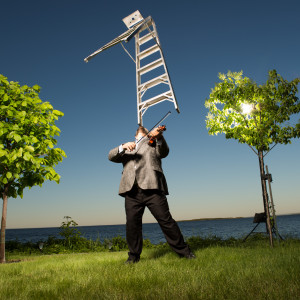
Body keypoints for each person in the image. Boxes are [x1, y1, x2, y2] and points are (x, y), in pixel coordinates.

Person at [108, 125, 195, 263]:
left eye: (146, 133)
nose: (143, 135)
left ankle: (185, 252)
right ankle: (133, 257)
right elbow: (111, 156)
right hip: (131, 192)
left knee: (166, 221)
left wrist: (159, 136)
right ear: (135, 135)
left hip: (153, 188)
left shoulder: (153, 143)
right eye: (140, 134)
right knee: (132, 225)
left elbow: (164, 152)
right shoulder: (126, 148)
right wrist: (123, 146)